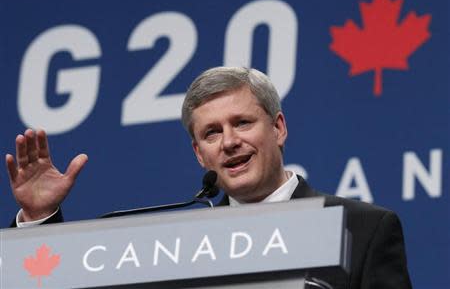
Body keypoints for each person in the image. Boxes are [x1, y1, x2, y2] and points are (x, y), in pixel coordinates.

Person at [6, 67, 412, 288]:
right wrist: (39, 221)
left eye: (242, 123)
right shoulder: (176, 250)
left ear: (279, 128)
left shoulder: (360, 229)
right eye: (212, 133)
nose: (229, 142)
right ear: (199, 154)